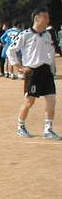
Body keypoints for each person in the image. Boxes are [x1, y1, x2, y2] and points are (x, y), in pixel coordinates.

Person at [7, 8, 59, 140]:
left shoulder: (47, 35)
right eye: (45, 17)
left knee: (51, 100)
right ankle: (20, 126)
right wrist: (19, 67)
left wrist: (52, 66)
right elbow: (10, 50)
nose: (47, 20)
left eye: (48, 17)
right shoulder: (25, 34)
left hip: (46, 71)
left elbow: (50, 52)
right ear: (36, 18)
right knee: (29, 101)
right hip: (33, 72)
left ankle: (48, 129)